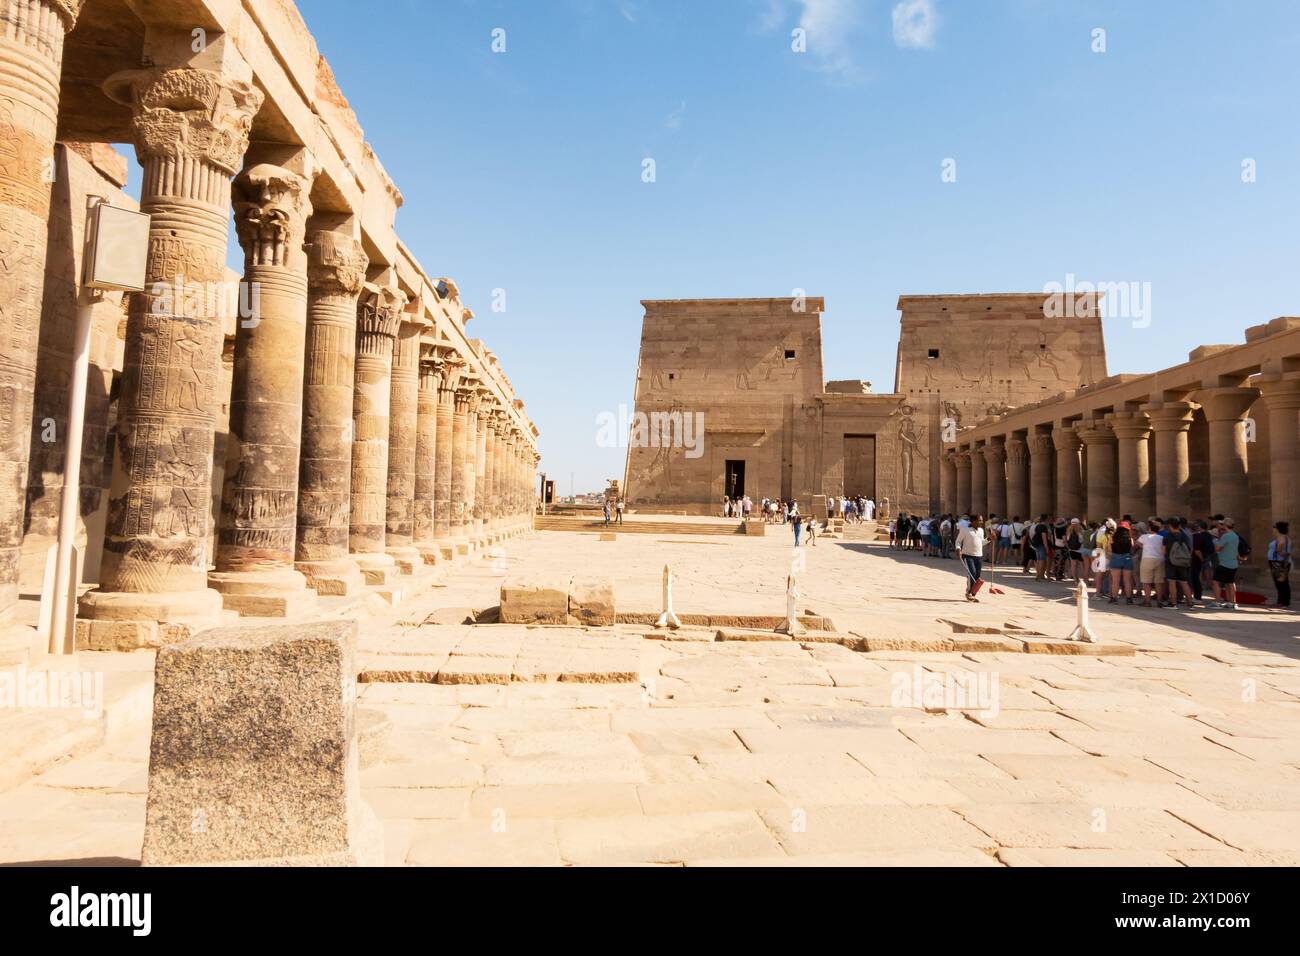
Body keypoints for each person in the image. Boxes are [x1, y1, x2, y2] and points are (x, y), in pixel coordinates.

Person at [1163, 517, 1195, 608]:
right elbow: (1190, 549)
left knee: (1172, 582)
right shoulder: (1184, 535)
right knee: (1184, 582)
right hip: (1183, 561)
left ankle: (1173, 603)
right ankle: (1190, 603)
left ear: (1170, 526)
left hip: (1171, 561)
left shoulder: (1168, 536)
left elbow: (1163, 550)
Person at [956, 515, 987, 602]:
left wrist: (989, 539)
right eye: (979, 520)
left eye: (981, 520)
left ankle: (973, 593)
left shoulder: (981, 530)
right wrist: (958, 549)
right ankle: (968, 593)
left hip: (979, 556)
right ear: (973, 521)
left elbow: (982, 543)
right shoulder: (965, 530)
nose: (981, 522)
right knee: (972, 573)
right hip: (968, 555)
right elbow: (958, 541)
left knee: (977, 575)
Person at [1213, 517, 1241, 610]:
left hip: (1224, 563)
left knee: (1216, 581)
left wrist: (1217, 542)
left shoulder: (1226, 536)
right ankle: (1232, 602)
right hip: (1233, 563)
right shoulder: (1235, 536)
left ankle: (1217, 602)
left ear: (1225, 525)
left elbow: (1218, 548)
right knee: (1230, 583)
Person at [1137, 519, 1166, 607]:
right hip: (1159, 559)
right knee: (1158, 581)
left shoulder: (1144, 537)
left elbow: (1137, 543)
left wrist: (1144, 546)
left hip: (1147, 558)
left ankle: (1147, 601)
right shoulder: (1161, 537)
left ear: (1149, 528)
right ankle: (1159, 601)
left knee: (1146, 581)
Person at [1108, 519, 1136, 604]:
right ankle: (1129, 599)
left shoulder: (1112, 537)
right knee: (1127, 580)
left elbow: (1109, 549)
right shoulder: (1130, 539)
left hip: (1116, 557)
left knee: (1115, 580)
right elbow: (1132, 548)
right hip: (1127, 558)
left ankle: (1114, 598)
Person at [1268, 521, 1292, 608]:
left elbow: (1281, 544)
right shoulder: (1285, 537)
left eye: (1274, 527)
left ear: (1278, 529)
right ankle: (1282, 601)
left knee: (1281, 583)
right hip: (1279, 562)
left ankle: (1283, 602)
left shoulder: (1281, 537)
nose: (1273, 529)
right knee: (1282, 582)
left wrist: (1278, 550)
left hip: (1278, 562)